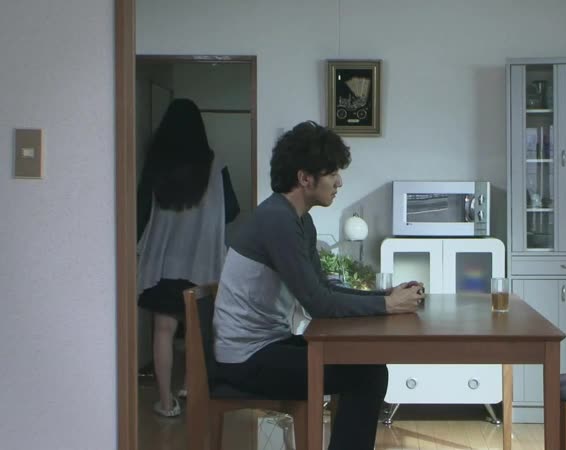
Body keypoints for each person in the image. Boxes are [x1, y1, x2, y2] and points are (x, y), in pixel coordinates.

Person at [213, 121, 424, 450]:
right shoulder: (277, 220)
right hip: (246, 359)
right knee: (367, 375)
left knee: (365, 366)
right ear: (305, 178)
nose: (339, 182)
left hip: (269, 345)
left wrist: (385, 295)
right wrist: (387, 305)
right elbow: (319, 304)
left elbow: (322, 288)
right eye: (333, 173)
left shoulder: (298, 219)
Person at [137, 98, 240, 417]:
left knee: (163, 330)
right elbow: (232, 209)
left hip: (163, 265)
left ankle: (166, 402)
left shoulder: (156, 165)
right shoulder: (215, 164)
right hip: (202, 263)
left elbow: (140, 212)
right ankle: (190, 390)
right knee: (197, 333)